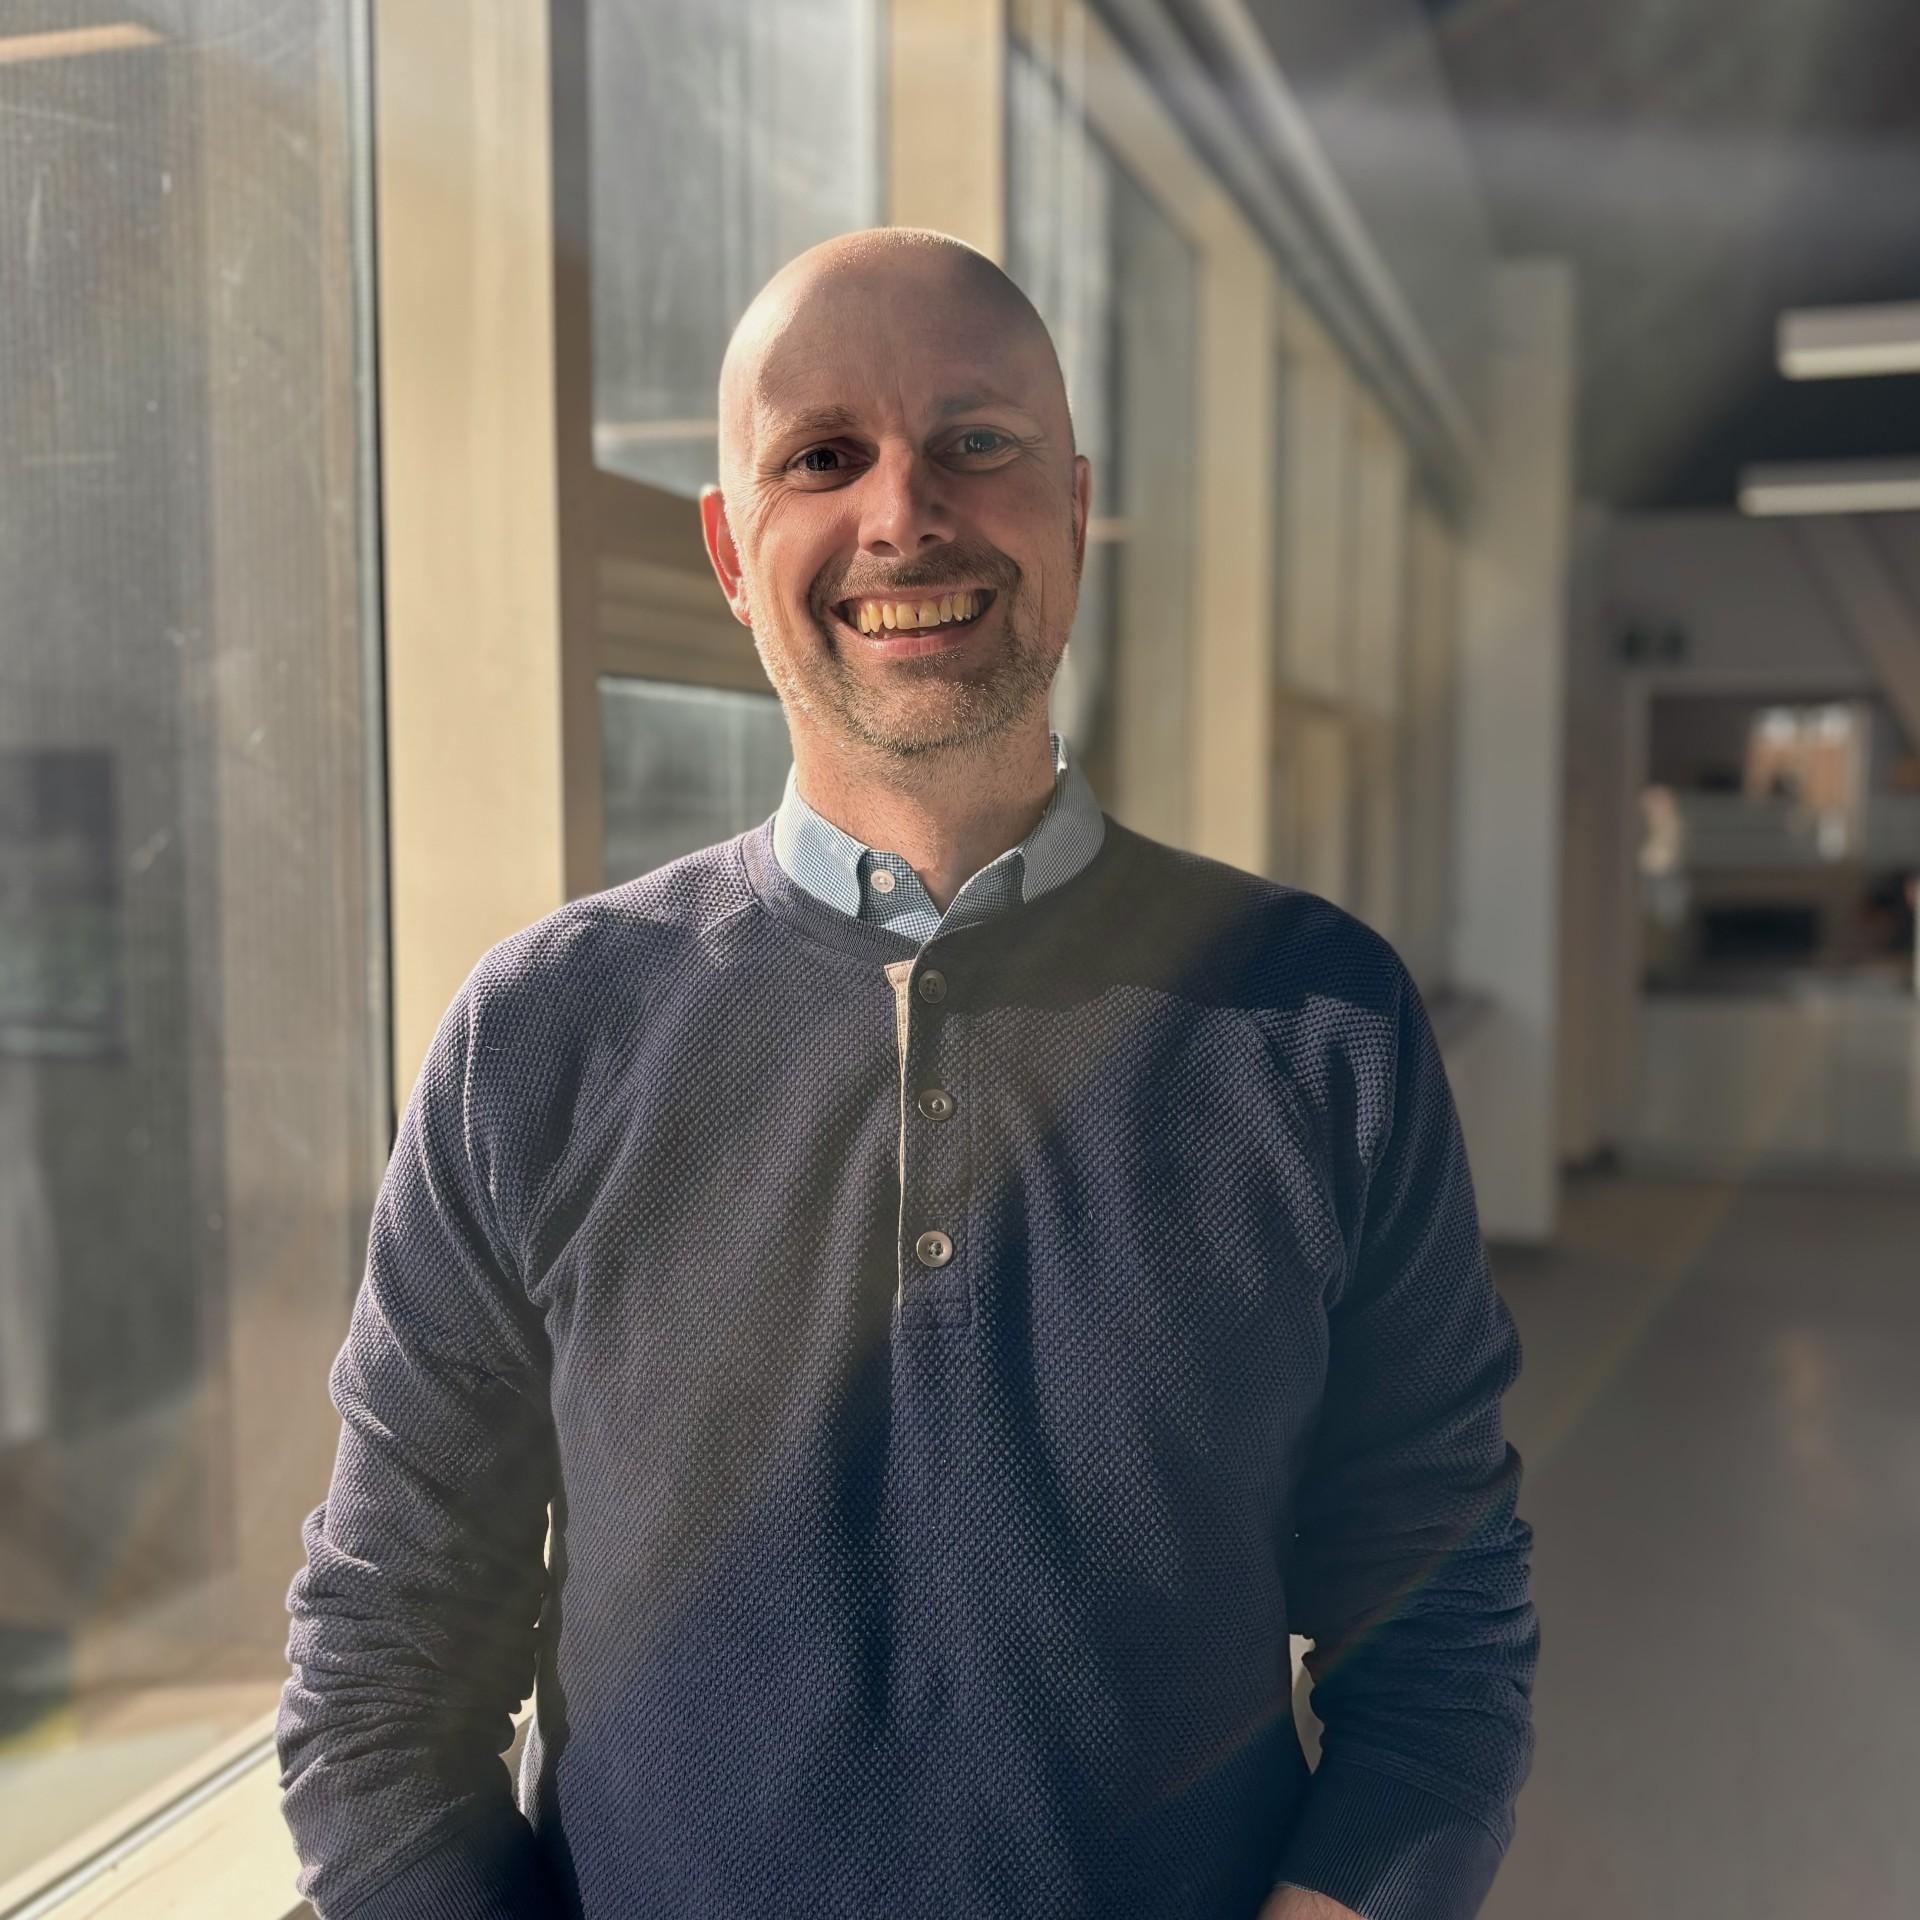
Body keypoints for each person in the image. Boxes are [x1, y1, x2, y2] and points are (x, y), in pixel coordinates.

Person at [278, 228, 1535, 1920]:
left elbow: (1439, 1636)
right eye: (823, 456)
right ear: (732, 551)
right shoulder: (539, 1039)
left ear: (1074, 509)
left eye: (976, 443)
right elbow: (378, 1679)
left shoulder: (1321, 1025)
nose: (902, 515)